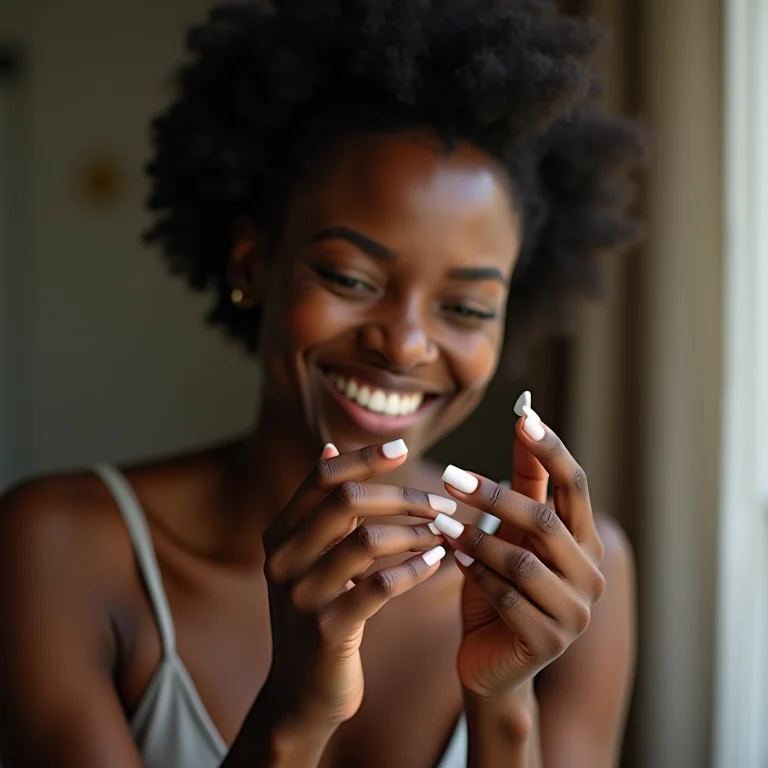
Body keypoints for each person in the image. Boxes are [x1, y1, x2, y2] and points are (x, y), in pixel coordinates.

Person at [0, 1, 644, 766]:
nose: (403, 343)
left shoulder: (567, 575)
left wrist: (503, 706)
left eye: (466, 306)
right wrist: (296, 713)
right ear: (251, 265)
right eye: (349, 275)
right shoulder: (61, 547)